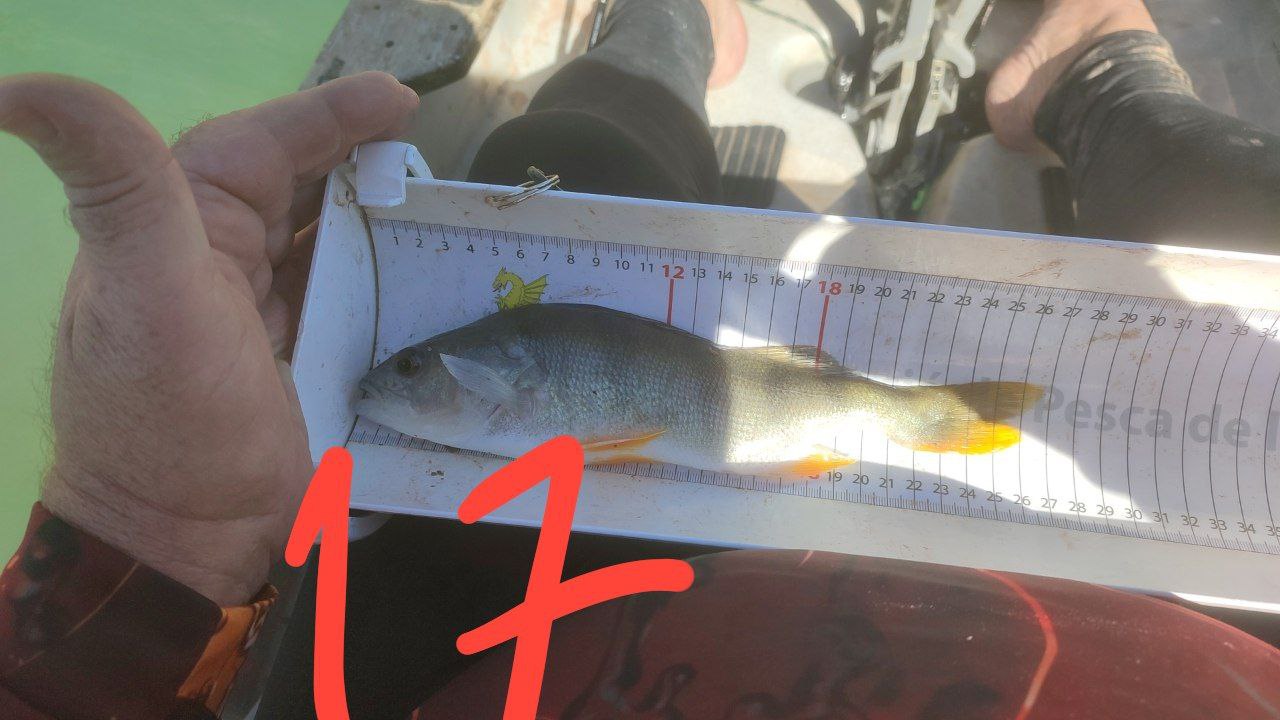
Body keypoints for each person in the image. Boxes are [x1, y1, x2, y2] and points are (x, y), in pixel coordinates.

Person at [0, 0, 1278, 717]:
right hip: (1168, 635)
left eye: (417, 380)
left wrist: (151, 532)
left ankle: (666, 30)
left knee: (576, 159)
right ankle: (1092, 80)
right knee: (1241, 220)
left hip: (464, 636)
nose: (395, 393)